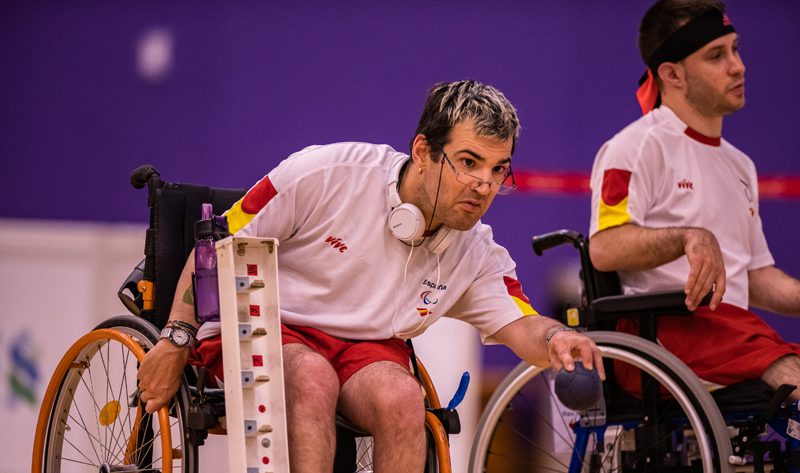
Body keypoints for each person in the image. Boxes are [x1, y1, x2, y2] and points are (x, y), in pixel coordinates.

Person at [138, 80, 604, 472]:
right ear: (423, 151)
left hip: (364, 353)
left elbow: (523, 324)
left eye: (498, 170)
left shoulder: (476, 251)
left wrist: (558, 338)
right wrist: (176, 337)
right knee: (312, 377)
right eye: (468, 163)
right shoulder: (326, 172)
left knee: (403, 395)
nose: (484, 186)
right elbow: (217, 247)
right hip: (266, 326)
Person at [589, 0, 800, 400]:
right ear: (672, 74)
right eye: (717, 56)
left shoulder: (741, 165)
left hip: (729, 332)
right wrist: (688, 236)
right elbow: (604, 247)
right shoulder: (634, 147)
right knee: (792, 374)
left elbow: (755, 277)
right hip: (664, 333)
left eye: (735, 49)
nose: (738, 67)